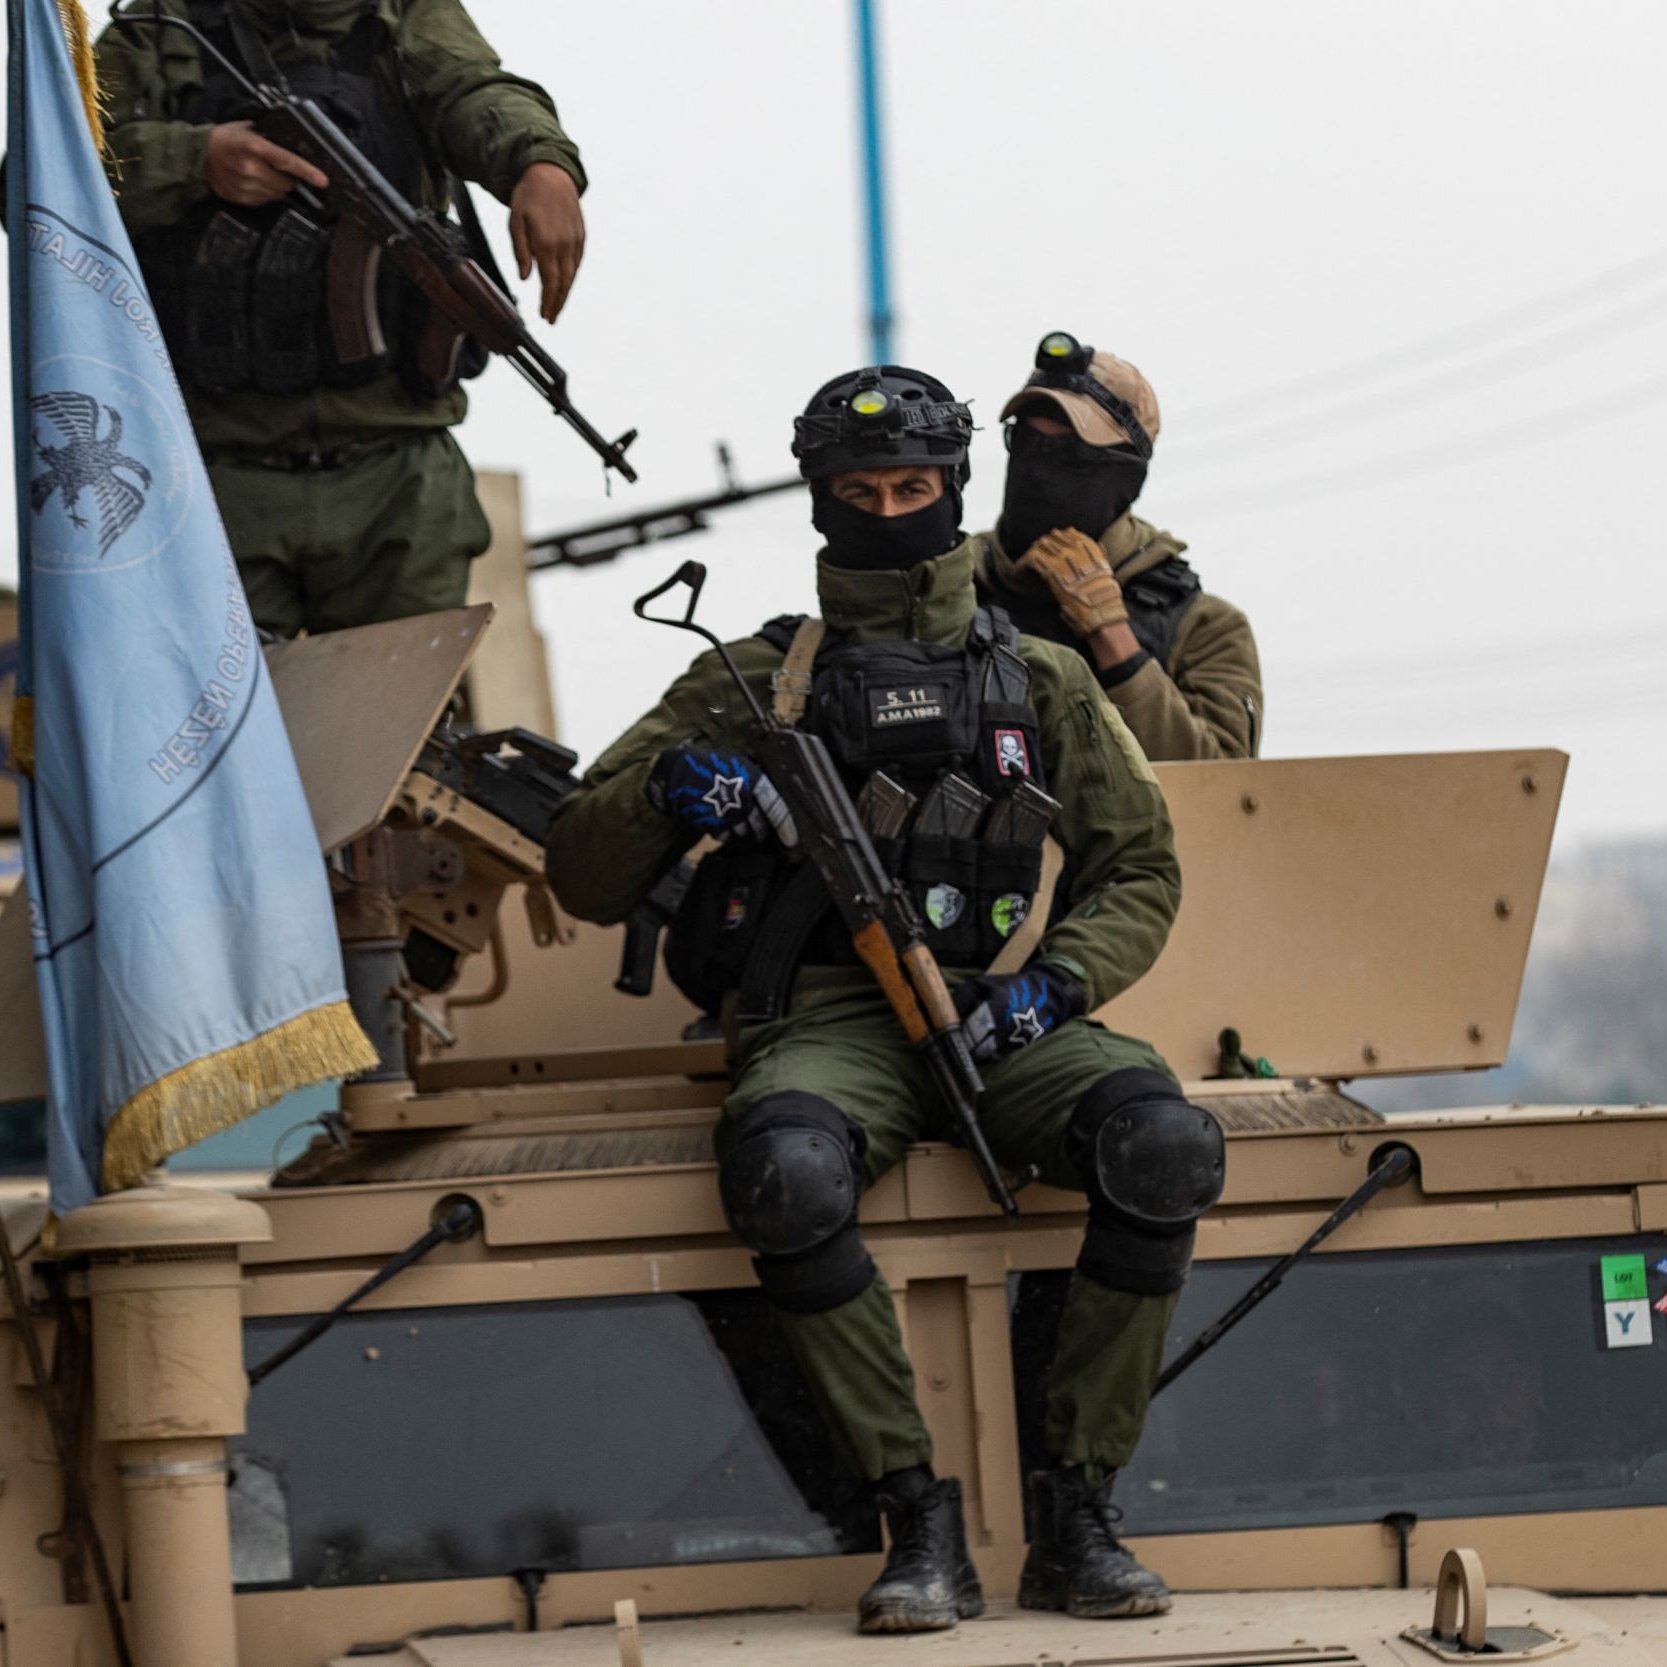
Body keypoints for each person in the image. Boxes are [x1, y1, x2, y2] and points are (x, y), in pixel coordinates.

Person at [544, 366, 1224, 1633]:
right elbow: (583, 870)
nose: (888, 509)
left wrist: (1055, 989)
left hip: (997, 1011)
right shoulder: (747, 680)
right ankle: (913, 1514)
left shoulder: (1038, 677)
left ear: (952, 492)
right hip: (825, 1022)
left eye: (913, 487)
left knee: (1164, 1139)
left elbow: (1139, 866)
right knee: (787, 1175)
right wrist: (673, 790)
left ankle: (1076, 1507)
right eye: (858, 491)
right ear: (820, 505)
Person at [93, 0, 588, 637]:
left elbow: (472, 90)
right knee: (220, 729)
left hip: (394, 473)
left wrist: (540, 163)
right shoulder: (163, 25)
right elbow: (51, 171)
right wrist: (195, 158)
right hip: (211, 472)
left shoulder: (405, 14)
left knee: (406, 729)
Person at [974, 333, 1263, 760]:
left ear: (1126, 479)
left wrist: (1113, 638)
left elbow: (1222, 791)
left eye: (1070, 457)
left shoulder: (1204, 627)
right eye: (1026, 444)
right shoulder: (949, 586)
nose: (1038, 471)